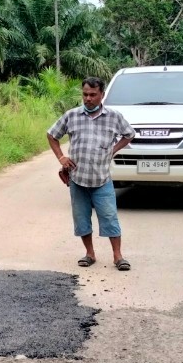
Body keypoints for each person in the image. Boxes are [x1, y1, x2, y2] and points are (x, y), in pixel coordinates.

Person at [47, 76, 135, 271]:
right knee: (81, 219)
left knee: (110, 217)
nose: (88, 98)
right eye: (85, 94)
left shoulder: (113, 117)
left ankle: (118, 256)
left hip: (102, 179)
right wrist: (61, 157)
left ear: (102, 95)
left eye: (93, 95)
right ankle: (90, 254)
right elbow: (52, 135)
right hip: (77, 180)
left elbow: (129, 134)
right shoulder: (72, 116)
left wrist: (113, 150)